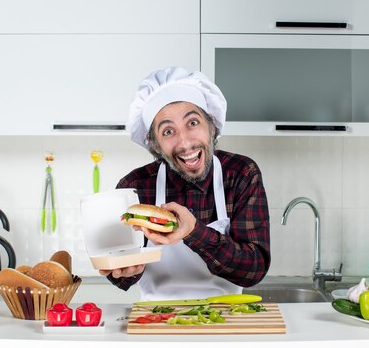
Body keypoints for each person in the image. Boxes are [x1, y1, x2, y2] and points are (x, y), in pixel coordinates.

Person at [99, 66, 270, 300]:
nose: (185, 143)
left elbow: (253, 270)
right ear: (154, 143)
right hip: (156, 320)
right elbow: (121, 275)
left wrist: (193, 231)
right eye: (168, 131)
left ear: (211, 125)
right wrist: (125, 271)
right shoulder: (134, 186)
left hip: (226, 318)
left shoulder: (240, 174)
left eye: (192, 123)